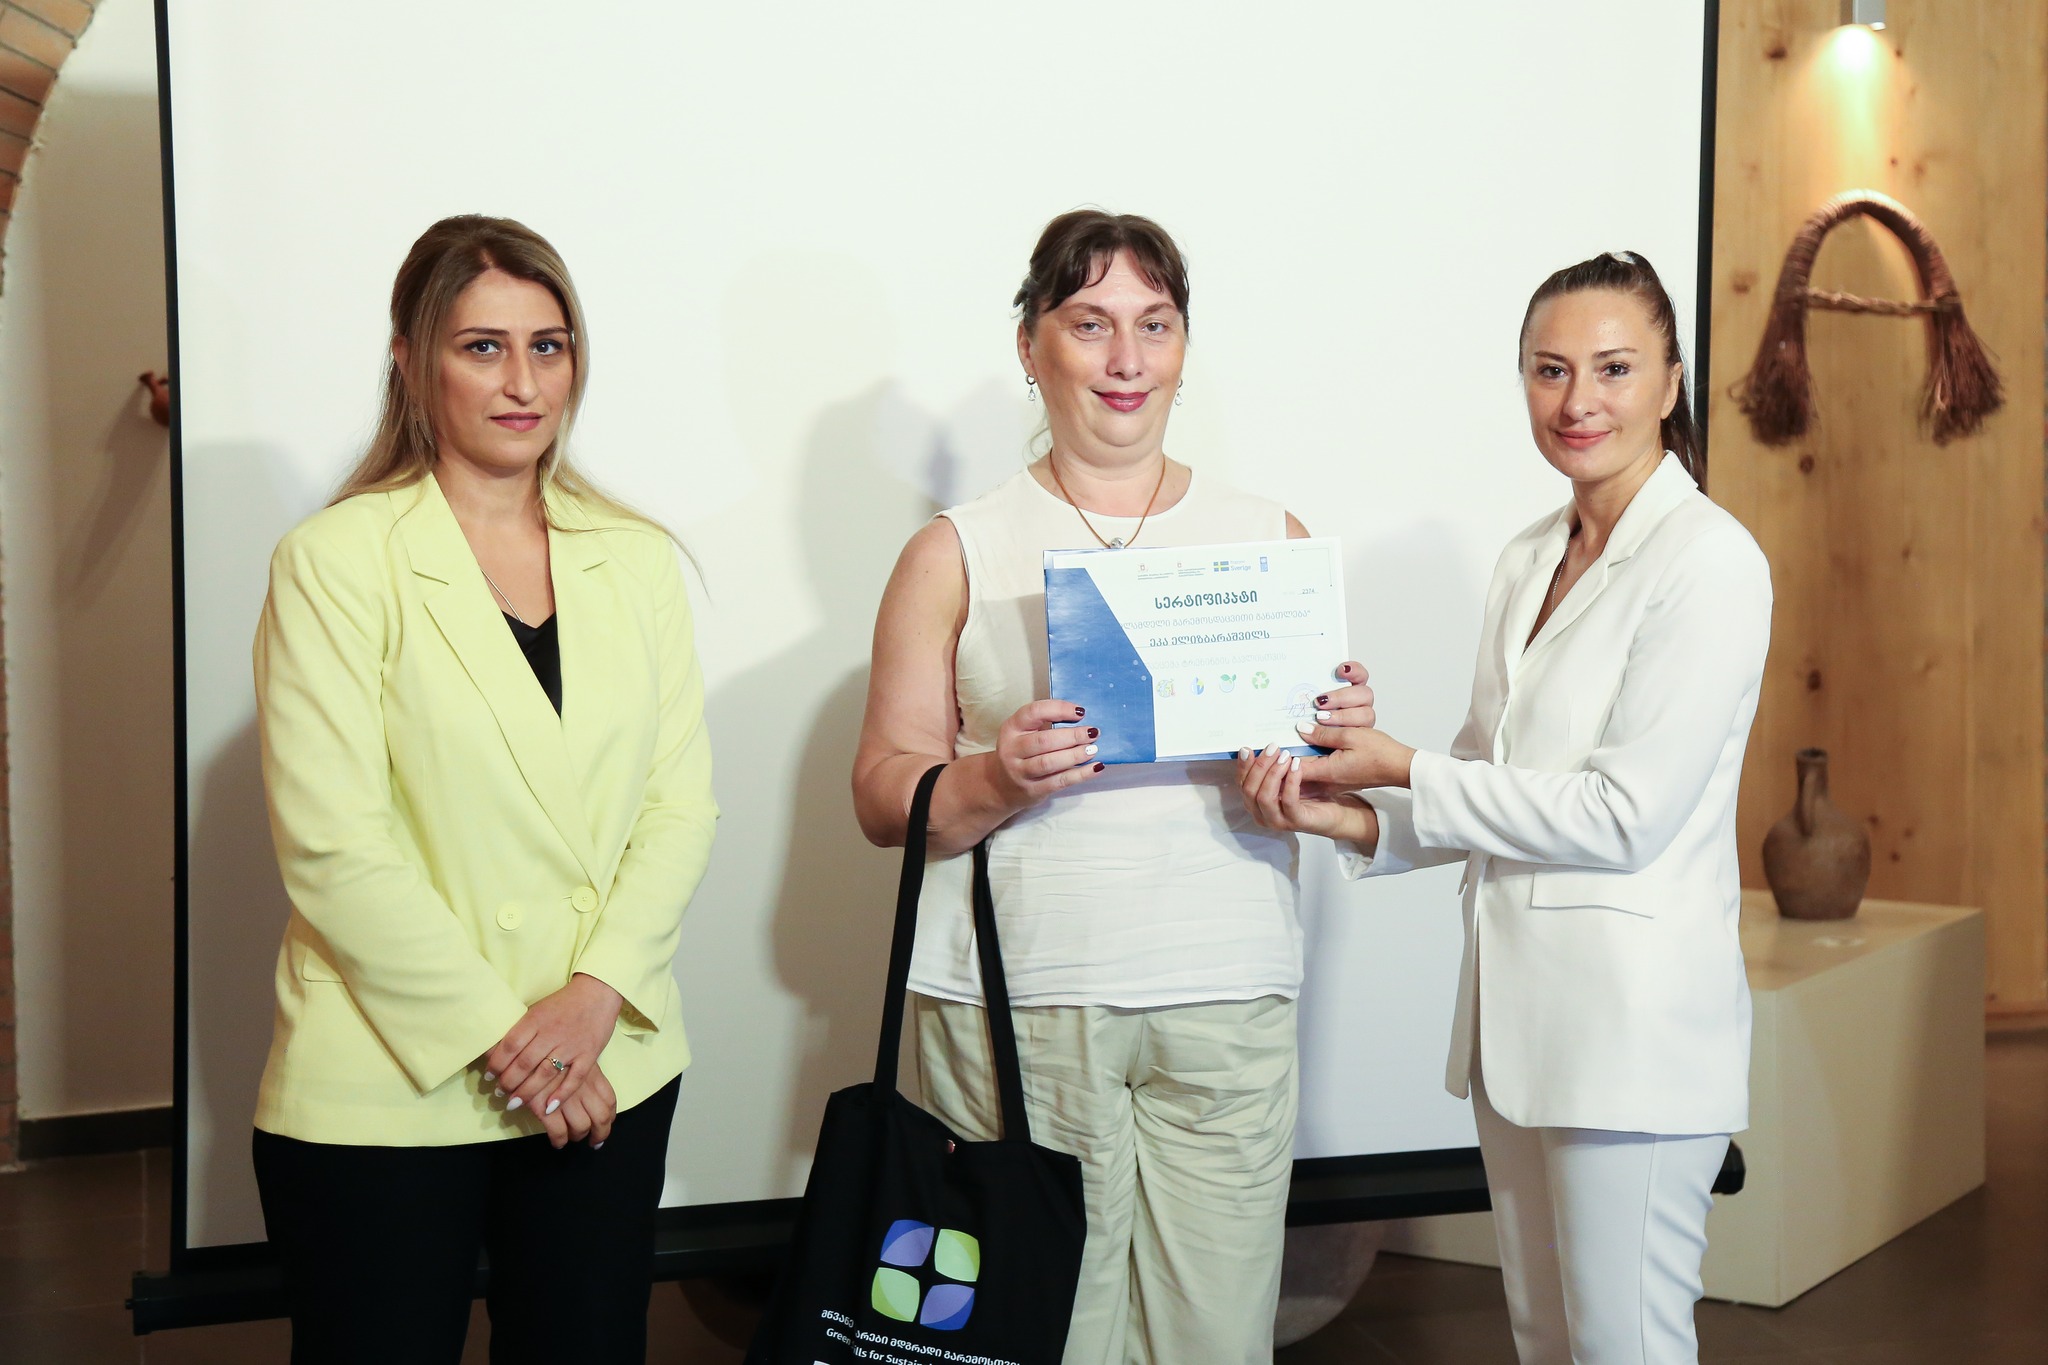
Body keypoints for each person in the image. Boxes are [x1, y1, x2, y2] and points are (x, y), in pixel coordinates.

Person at [1240, 251, 1771, 1365]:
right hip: (1514, 1032)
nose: (1577, 400)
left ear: (1670, 383)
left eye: (1613, 368)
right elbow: (1489, 775)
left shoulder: (1710, 561)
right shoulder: (1530, 555)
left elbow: (1622, 814)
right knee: (1545, 1342)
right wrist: (1346, 810)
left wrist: (1402, 764)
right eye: (1548, 369)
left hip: (1631, 1038)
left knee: (1625, 1346)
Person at [249, 214, 717, 1364]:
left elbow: (678, 808)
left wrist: (590, 1001)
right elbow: (334, 848)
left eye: (547, 347)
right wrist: (513, 1040)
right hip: (388, 1078)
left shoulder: (635, 556)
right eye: (482, 348)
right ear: (409, 360)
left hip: (607, 1063)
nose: (522, 382)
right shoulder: (336, 560)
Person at [852, 209, 1312, 1365]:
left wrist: (1310, 761)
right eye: (1089, 323)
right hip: (1017, 1002)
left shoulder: (1268, 538)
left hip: (1224, 992)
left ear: (1182, 348)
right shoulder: (955, 549)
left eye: (1153, 325)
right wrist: (996, 775)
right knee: (1042, 1336)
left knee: (1217, 1338)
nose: (1125, 359)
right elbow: (881, 793)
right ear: (1030, 345)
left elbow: (1322, 783)